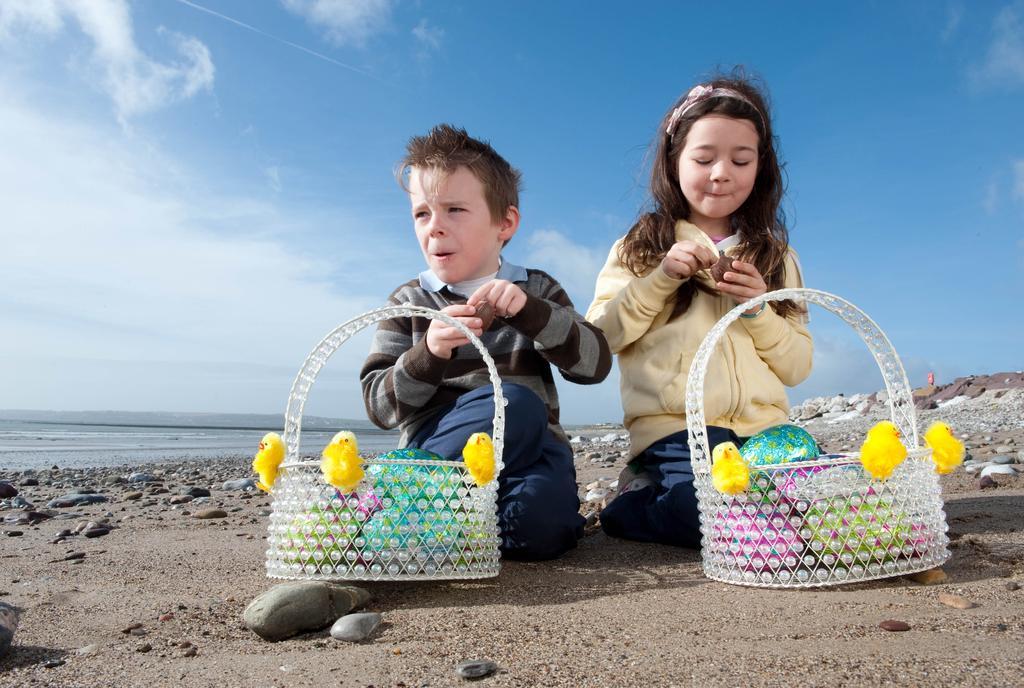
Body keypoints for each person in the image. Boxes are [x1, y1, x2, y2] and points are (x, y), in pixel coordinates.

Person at [361, 124, 612, 560]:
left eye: (454, 209)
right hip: (440, 449)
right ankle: (412, 501)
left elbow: (594, 366)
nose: (434, 228)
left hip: (534, 448)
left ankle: (452, 524)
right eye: (422, 213)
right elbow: (379, 408)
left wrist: (531, 313)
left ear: (505, 223)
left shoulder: (538, 289)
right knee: (509, 401)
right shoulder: (410, 301)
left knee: (543, 532)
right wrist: (430, 353)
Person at [586, 74, 813, 548]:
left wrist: (758, 310)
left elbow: (797, 366)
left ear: (761, 167)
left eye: (741, 159)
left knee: (813, 504)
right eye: (704, 158)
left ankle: (744, 508)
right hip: (678, 431)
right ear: (674, 162)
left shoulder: (777, 257)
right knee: (711, 511)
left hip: (766, 431)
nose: (721, 173)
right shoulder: (640, 246)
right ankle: (632, 506)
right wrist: (661, 279)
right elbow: (600, 341)